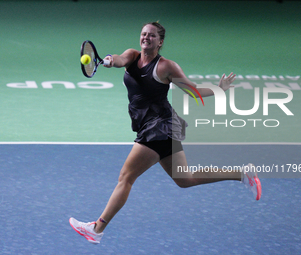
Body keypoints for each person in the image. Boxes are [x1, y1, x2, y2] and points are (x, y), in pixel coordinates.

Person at [69, 22, 262, 244]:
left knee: (126, 177)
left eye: (151, 36)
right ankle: (242, 173)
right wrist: (111, 61)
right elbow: (119, 59)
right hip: (158, 128)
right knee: (185, 179)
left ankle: (97, 228)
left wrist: (219, 89)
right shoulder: (131, 56)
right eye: (143, 34)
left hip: (158, 127)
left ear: (160, 42)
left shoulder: (167, 67)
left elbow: (193, 92)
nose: (145, 38)